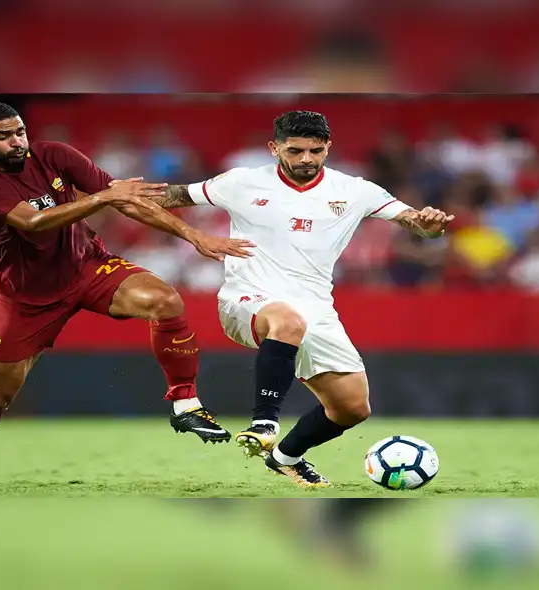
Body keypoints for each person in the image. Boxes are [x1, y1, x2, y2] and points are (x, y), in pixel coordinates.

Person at [0, 101, 255, 490]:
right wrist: (103, 198)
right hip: (29, 294)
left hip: (88, 266)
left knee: (165, 300)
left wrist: (194, 235)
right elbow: (33, 222)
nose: (17, 142)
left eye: (20, 132)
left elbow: (125, 198)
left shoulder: (53, 155)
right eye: (3, 136)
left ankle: (186, 404)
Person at [136, 111, 453, 487]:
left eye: (315, 151)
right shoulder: (241, 182)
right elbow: (174, 196)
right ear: (274, 148)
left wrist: (429, 227)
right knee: (287, 321)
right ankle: (264, 423)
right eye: (295, 150)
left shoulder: (356, 190)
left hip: (316, 307)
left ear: (328, 148)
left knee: (352, 408)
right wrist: (117, 193)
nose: (306, 159)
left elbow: (416, 222)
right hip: (247, 299)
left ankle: (285, 457)